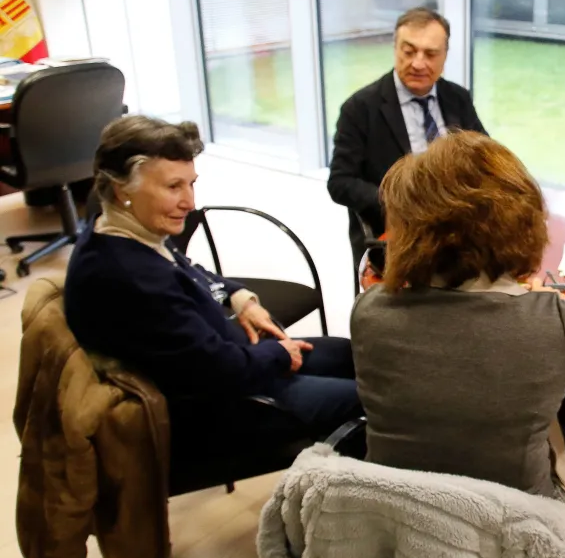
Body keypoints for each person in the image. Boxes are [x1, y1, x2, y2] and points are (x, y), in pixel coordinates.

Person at [350, 131, 565, 503]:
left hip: (397, 510)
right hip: (513, 519)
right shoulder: (549, 320)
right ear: (520, 225)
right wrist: (548, 305)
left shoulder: (369, 312)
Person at [65, 115, 363, 439]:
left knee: (348, 354)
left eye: (191, 184)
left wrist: (239, 298)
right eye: (173, 187)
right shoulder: (130, 278)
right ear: (121, 188)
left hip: (234, 362)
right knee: (377, 399)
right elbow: (217, 370)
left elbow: (186, 267)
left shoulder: (123, 226)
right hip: (223, 405)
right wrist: (279, 353)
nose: (189, 202)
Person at [327, 7, 487, 274]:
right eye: (409, 52)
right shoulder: (360, 108)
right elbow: (340, 183)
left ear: (445, 56)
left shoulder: (457, 98)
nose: (418, 64)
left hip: (457, 229)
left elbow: (484, 159)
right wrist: (402, 202)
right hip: (396, 236)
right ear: (395, 49)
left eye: (430, 54)